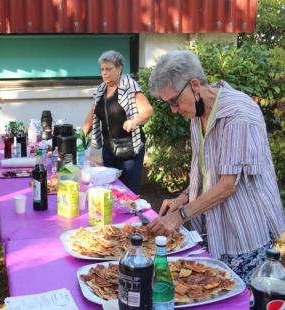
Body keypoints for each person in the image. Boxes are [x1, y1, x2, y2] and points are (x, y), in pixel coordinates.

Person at [147, 50, 285, 284]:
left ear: (195, 84)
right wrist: (183, 197)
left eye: (174, 101)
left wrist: (178, 217)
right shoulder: (196, 116)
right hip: (214, 231)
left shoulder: (237, 114)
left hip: (246, 234)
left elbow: (227, 185)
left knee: (242, 299)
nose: (173, 109)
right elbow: (205, 172)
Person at [87, 50, 153, 193]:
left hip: (129, 151)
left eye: (108, 69)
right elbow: (92, 117)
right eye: (102, 69)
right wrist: (78, 139)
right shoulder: (101, 90)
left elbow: (148, 110)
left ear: (119, 68)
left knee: (127, 193)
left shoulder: (129, 85)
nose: (104, 73)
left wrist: (134, 121)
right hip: (108, 150)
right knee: (109, 191)